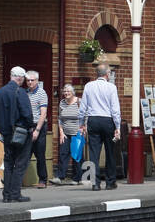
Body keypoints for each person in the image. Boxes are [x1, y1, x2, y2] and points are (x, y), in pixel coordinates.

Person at [0, 66, 34, 202]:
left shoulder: (0, 92)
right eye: (23, 79)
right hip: (21, 133)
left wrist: (0, 129)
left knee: (9, 163)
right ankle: (16, 194)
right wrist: (31, 127)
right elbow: (27, 114)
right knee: (20, 163)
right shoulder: (20, 92)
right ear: (20, 78)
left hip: (6, 133)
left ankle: (6, 195)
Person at [78, 61, 122, 190]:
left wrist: (81, 124)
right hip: (108, 121)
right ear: (107, 74)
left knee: (93, 153)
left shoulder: (88, 86)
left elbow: (83, 108)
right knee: (110, 152)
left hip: (93, 120)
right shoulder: (111, 87)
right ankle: (110, 182)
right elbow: (115, 109)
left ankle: (95, 183)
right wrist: (117, 126)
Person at [51, 83, 83, 185]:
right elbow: (60, 119)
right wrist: (61, 132)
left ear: (72, 92)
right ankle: (60, 177)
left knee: (76, 155)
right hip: (65, 133)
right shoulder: (62, 103)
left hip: (77, 133)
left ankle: (76, 178)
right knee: (63, 154)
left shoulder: (79, 102)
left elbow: (85, 116)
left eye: (68, 91)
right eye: (64, 91)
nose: (66, 93)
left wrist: (82, 128)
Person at [23, 70, 49, 188]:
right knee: (24, 154)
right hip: (27, 126)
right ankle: (17, 180)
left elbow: (43, 114)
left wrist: (37, 130)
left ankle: (43, 180)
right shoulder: (25, 93)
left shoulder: (42, 94)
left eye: (32, 80)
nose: (29, 82)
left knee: (40, 154)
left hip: (39, 126)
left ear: (37, 81)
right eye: (28, 80)